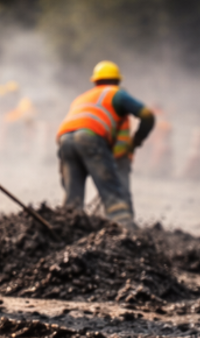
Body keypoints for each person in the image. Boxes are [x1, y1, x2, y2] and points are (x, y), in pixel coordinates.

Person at [57, 61, 154, 224]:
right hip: (89, 137)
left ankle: (68, 228)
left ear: (95, 81)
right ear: (117, 81)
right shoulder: (118, 94)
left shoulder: (82, 97)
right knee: (112, 194)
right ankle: (125, 228)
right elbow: (147, 115)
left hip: (64, 139)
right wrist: (137, 140)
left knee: (72, 198)